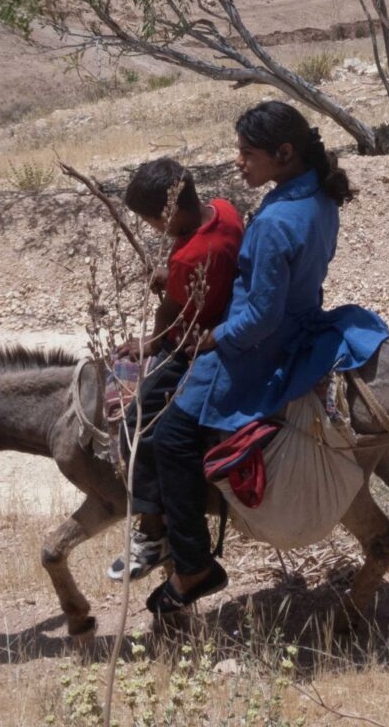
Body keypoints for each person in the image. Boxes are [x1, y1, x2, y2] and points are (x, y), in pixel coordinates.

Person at [146, 101, 389, 614]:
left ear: (284, 153)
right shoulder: (317, 197)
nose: (239, 162)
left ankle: (192, 567)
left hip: (262, 346)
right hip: (302, 323)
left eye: (247, 153)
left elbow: (258, 315)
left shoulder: (277, 219)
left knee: (168, 438)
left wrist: (213, 339)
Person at [106, 158, 243, 581]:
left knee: (137, 425)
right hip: (218, 316)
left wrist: (150, 343)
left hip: (197, 345)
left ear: (167, 212)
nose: (152, 228)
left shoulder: (189, 255)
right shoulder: (225, 210)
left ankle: (153, 531)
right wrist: (171, 276)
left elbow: (174, 316)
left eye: (151, 220)